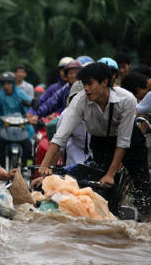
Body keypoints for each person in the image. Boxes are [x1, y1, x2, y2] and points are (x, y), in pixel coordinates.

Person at [39, 63, 151, 214]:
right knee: (102, 188)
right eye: (84, 84)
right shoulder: (80, 100)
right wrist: (44, 168)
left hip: (129, 140)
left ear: (105, 81)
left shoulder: (126, 99)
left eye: (90, 83)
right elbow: (60, 137)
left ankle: (145, 218)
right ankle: (111, 217)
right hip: (100, 141)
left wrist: (110, 174)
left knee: (141, 182)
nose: (86, 88)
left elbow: (123, 141)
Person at [0, 71, 34, 165]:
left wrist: (29, 114)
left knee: (29, 145)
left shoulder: (20, 94)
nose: (6, 86)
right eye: (4, 84)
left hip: (21, 127)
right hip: (3, 126)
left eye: (8, 83)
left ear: (13, 84)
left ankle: (26, 166)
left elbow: (30, 105)